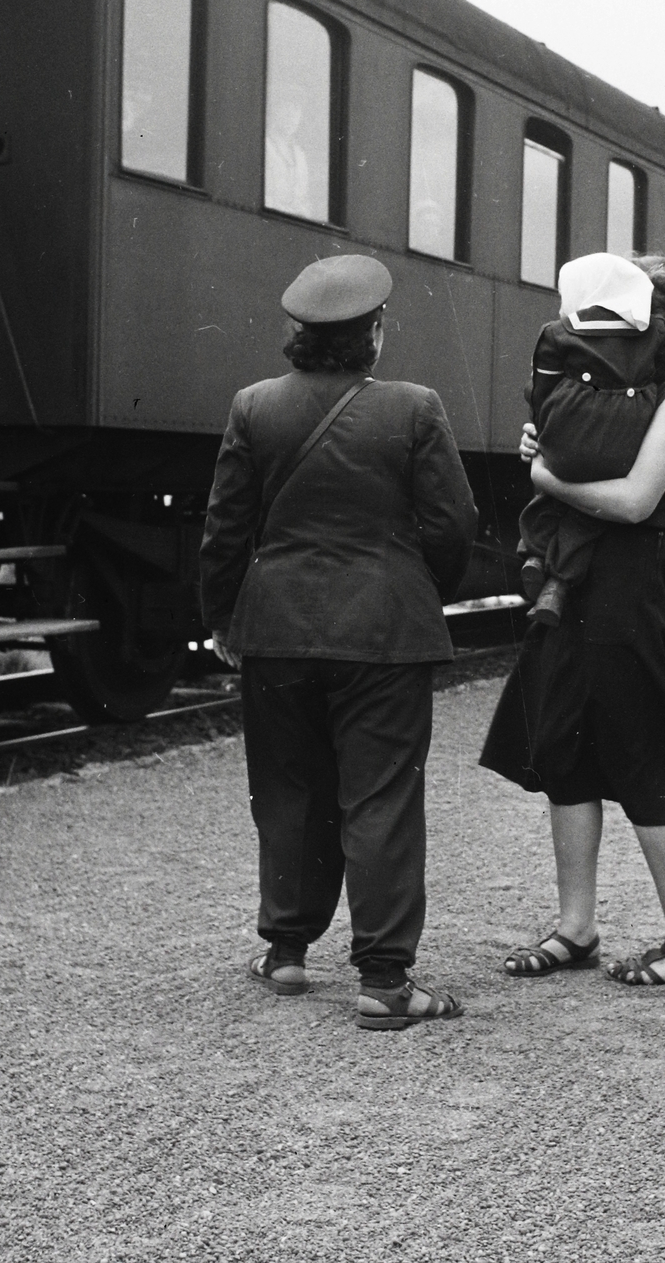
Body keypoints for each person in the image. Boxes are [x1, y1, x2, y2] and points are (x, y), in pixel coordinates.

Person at [199, 254, 478, 1031]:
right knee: (380, 794)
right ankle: (386, 981)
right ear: (376, 335)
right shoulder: (415, 407)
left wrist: (223, 617)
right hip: (383, 632)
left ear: (298, 334)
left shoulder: (254, 407)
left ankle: (286, 953)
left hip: (278, 630)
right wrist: (419, 589)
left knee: (288, 789)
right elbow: (456, 524)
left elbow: (224, 529)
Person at [480, 254, 665, 988]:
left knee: (640, 743)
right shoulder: (626, 390)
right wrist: (548, 442)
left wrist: (547, 474)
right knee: (564, 741)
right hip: (583, 576)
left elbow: (635, 501)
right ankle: (575, 928)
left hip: (637, 576)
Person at [518, 252, 665, 626]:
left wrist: (544, 428)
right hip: (622, 447)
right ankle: (558, 585)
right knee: (588, 509)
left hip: (567, 445)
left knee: (554, 490)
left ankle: (534, 554)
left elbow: (541, 389)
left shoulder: (558, 331)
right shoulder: (657, 337)